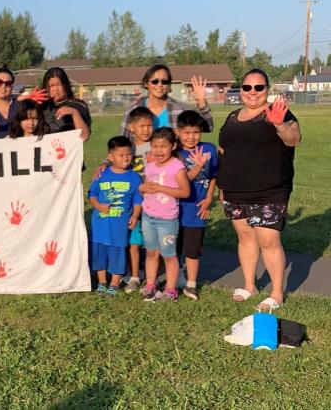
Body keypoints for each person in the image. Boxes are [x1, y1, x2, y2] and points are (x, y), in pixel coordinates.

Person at [217, 68, 301, 311]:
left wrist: (279, 124)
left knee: (268, 239)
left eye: (259, 87)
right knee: (245, 237)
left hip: (270, 189)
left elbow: (293, 139)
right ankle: (249, 285)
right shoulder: (233, 117)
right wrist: (223, 184)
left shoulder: (278, 113)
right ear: (241, 89)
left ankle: (276, 293)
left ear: (267, 90)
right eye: (247, 87)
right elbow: (225, 150)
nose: (252, 92)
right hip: (234, 190)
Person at [139, 127, 190, 302]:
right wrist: (142, 188)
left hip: (167, 220)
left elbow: (185, 192)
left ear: (173, 146)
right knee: (151, 253)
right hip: (148, 217)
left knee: (169, 255)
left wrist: (161, 188)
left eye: (163, 146)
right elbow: (144, 187)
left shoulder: (177, 166)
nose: (159, 150)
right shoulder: (150, 166)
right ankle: (151, 286)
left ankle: (170, 290)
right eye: (155, 146)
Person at [88, 136, 143, 296]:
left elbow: (138, 200)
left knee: (117, 253)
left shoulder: (134, 177)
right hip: (100, 224)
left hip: (120, 226)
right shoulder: (102, 174)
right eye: (121, 155)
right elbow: (92, 193)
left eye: (128, 154)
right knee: (100, 254)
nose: (126, 158)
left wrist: (135, 215)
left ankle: (114, 283)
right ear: (110, 157)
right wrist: (98, 205)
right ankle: (102, 282)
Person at [176, 110, 218, 301]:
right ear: (178, 132)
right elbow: (180, 180)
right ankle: (174, 280)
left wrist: (209, 197)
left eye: (195, 132)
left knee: (193, 249)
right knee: (173, 248)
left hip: (197, 208)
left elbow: (213, 176)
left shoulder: (209, 149)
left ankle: (191, 284)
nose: (191, 137)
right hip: (174, 209)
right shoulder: (174, 152)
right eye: (186, 132)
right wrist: (198, 166)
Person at [119, 64, 212, 141]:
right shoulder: (132, 110)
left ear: (168, 85)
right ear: (146, 84)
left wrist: (201, 101)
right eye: (155, 81)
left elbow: (208, 127)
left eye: (164, 81)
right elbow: (121, 143)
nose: (159, 85)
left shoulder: (180, 109)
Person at [123, 106, 154, 293]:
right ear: (131, 127)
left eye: (149, 125)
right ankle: (134, 276)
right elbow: (112, 161)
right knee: (133, 242)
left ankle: (152, 277)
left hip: (153, 203)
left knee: (152, 243)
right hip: (132, 203)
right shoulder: (127, 148)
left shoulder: (157, 147)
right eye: (141, 126)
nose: (146, 130)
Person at [40, 67, 91, 141]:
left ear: (66, 85)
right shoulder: (41, 106)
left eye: (59, 84)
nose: (56, 89)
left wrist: (74, 113)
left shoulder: (78, 105)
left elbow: (85, 136)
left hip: (68, 151)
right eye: (52, 85)